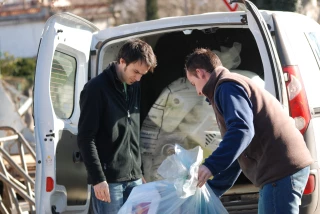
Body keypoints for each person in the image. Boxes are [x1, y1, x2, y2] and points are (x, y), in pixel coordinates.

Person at [184, 48, 313, 214]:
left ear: (200, 73)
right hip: (282, 171)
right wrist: (212, 188)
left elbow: (242, 130)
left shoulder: (226, 87)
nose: (198, 92)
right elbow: (240, 149)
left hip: (280, 172)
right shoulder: (228, 84)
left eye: (194, 84)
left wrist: (210, 166)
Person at [77, 39, 157, 214]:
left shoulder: (134, 86)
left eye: (142, 74)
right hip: (108, 181)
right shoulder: (95, 89)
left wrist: (138, 171)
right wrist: (98, 179)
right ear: (122, 61)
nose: (138, 78)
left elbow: (133, 131)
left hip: (134, 178)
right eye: (136, 71)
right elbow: (85, 137)